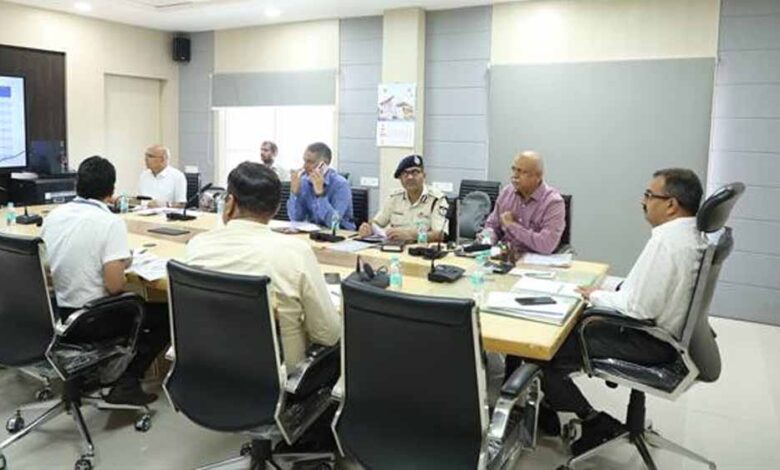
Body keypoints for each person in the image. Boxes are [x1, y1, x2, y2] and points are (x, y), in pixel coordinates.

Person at [530, 168, 707, 456]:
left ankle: (592, 422)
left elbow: (639, 308)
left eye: (649, 195)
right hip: (662, 336)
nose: (643, 201)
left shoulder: (667, 242)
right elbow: (643, 292)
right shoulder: (689, 235)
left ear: (671, 204)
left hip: (649, 341)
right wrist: (607, 288)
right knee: (565, 333)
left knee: (543, 350)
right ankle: (558, 405)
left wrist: (594, 296)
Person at [184, 161, 341, 369]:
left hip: (204, 366)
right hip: (277, 376)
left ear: (229, 202)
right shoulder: (295, 252)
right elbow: (328, 334)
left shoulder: (197, 245)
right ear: (276, 209)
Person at [42, 156, 170, 405]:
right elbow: (114, 286)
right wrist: (122, 263)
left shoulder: (55, 216)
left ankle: (84, 373)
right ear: (111, 191)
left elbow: (49, 266)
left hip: (61, 314)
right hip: (92, 319)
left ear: (77, 184)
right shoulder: (110, 222)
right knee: (166, 317)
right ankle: (126, 382)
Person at [483, 151, 565, 255]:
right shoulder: (507, 192)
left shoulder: (553, 202)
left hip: (535, 260)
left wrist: (512, 225)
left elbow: (546, 245)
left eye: (522, 172)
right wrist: (487, 238)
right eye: (514, 169)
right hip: (505, 257)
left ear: (538, 176)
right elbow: (492, 225)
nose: (515, 176)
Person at [357, 154, 449, 242]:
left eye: (415, 172)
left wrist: (412, 235)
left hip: (422, 249)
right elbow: (376, 223)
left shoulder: (436, 199)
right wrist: (368, 228)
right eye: (405, 173)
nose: (410, 177)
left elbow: (440, 235)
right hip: (394, 248)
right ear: (400, 178)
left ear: (424, 176)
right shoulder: (394, 198)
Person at [287, 142, 355, 230]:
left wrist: (320, 194)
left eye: (310, 162)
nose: (304, 166)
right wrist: (295, 193)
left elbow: (334, 223)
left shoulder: (341, 185)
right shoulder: (304, 181)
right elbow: (295, 219)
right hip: (313, 232)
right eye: (304, 161)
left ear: (324, 164)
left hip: (341, 233)